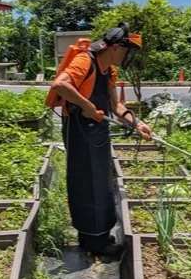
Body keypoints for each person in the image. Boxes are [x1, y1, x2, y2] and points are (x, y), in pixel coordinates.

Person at [51, 23, 153, 256]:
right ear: (116, 48)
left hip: (97, 131)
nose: (128, 57)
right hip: (79, 130)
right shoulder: (85, 62)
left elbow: (115, 105)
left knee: (101, 182)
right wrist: (87, 107)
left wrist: (136, 123)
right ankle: (92, 243)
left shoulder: (109, 70)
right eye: (127, 51)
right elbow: (60, 85)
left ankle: (100, 235)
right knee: (85, 183)